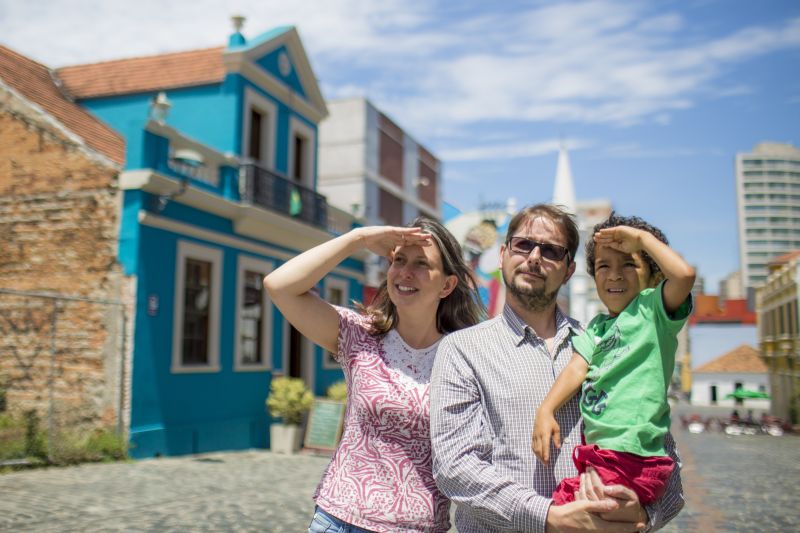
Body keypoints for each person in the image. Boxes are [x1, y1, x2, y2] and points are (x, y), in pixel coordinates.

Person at [430, 203, 685, 532]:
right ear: (504, 254)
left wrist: (643, 515)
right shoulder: (462, 350)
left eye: (550, 250)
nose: (534, 257)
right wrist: (550, 517)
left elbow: (666, 463)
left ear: (568, 270)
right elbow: (456, 468)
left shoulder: (617, 347)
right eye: (523, 244)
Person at [263, 217, 485, 533]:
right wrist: (359, 239)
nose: (406, 272)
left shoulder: (464, 356)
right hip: (338, 520)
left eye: (422, 264)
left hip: (417, 527)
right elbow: (279, 285)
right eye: (399, 260)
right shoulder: (359, 336)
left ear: (447, 285)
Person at [532, 213, 695, 506]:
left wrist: (643, 240)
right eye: (604, 266)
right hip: (602, 456)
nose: (615, 274)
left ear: (655, 277)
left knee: (572, 511)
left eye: (629, 264)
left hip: (632, 455)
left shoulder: (653, 311)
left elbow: (684, 276)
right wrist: (547, 409)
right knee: (566, 507)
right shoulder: (597, 327)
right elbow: (576, 368)